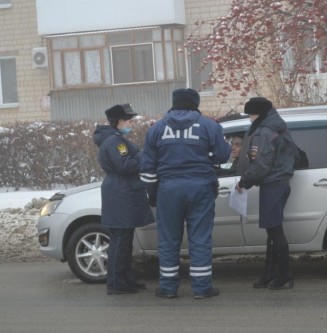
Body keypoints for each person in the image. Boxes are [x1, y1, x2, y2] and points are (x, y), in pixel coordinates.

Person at [140, 88, 231, 299]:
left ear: (174, 104)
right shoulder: (209, 125)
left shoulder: (157, 128)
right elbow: (222, 155)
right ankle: (201, 288)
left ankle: (168, 288)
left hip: (168, 190)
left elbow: (148, 168)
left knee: (169, 240)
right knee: (199, 238)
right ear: (195, 104)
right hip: (200, 188)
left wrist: (152, 194)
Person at [235, 97, 298, 290]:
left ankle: (284, 276)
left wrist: (244, 182)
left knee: (275, 232)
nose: (250, 119)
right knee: (272, 232)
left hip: (272, 183)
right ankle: (269, 275)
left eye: (251, 115)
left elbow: (262, 164)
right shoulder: (276, 126)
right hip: (279, 181)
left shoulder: (265, 131)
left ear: (259, 114)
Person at [93, 103, 154, 295]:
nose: (130, 124)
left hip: (122, 190)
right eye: (128, 120)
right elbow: (125, 165)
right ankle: (116, 283)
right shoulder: (114, 141)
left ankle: (126, 279)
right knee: (120, 240)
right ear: (118, 121)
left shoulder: (115, 138)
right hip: (121, 191)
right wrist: (143, 155)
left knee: (125, 240)